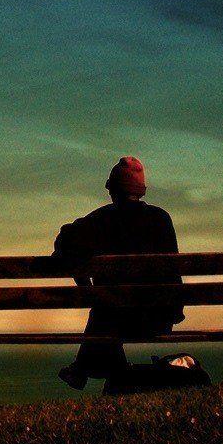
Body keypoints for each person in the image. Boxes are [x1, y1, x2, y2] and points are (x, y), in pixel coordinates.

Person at [51, 156, 183, 389]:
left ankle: (83, 369)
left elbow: (65, 241)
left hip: (115, 320)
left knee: (104, 310)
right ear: (141, 191)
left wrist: (87, 290)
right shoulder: (161, 219)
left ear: (112, 190)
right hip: (160, 318)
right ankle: (97, 372)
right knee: (107, 309)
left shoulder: (101, 220)